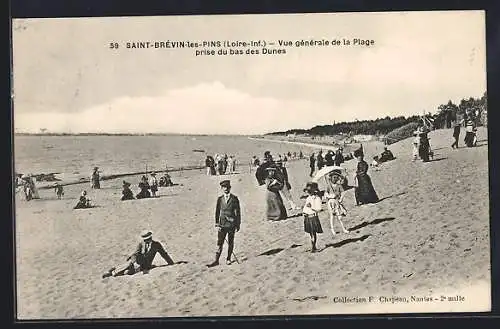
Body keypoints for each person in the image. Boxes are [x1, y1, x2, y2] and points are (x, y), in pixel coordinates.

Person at [102, 230, 175, 278]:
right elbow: (135, 254)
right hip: (137, 261)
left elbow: (164, 254)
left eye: (147, 239)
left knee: (128, 272)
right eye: (145, 240)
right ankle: (112, 273)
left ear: (151, 238)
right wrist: (134, 262)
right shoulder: (141, 244)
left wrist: (171, 263)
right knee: (129, 264)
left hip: (146, 265)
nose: (146, 241)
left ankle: (116, 269)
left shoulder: (156, 245)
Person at [207, 180, 241, 267]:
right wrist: (217, 223)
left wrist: (238, 224)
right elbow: (217, 212)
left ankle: (228, 258)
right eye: (224, 187)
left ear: (230, 188)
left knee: (230, 242)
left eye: (227, 187)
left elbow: (238, 212)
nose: (226, 189)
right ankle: (216, 260)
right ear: (222, 188)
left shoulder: (234, 198)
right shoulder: (220, 199)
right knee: (219, 243)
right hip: (222, 224)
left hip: (231, 224)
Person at [302, 182, 323, 252]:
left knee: (313, 233)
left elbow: (319, 209)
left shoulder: (317, 198)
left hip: (313, 217)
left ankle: (314, 247)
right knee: (311, 233)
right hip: (307, 217)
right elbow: (306, 207)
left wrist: (311, 207)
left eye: (309, 191)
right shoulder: (308, 198)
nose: (308, 192)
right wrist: (304, 212)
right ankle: (313, 247)